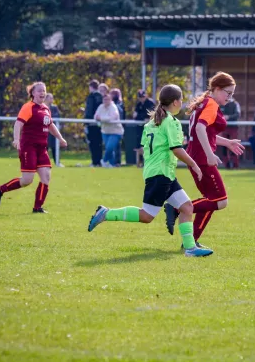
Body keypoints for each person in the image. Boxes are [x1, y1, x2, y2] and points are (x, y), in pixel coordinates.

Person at [88, 84, 213, 257]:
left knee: (186, 206)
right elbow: (176, 149)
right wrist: (194, 164)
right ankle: (106, 213)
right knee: (147, 216)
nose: (182, 103)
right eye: (181, 100)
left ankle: (190, 248)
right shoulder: (171, 121)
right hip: (160, 175)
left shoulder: (153, 122)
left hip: (162, 173)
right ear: (176, 102)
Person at [164, 72, 244, 249]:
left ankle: (189, 242)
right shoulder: (211, 104)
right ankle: (176, 209)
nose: (230, 98)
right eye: (227, 93)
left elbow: (206, 133)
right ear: (216, 89)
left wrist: (227, 142)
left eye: (232, 94)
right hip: (201, 159)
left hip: (195, 157)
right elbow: (200, 128)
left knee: (211, 201)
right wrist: (209, 155)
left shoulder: (204, 102)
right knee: (221, 201)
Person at [0, 82, 67, 213]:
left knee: (46, 177)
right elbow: (18, 124)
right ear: (32, 93)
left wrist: (60, 138)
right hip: (28, 148)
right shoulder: (28, 107)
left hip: (42, 148)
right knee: (27, 180)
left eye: (44, 90)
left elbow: (50, 125)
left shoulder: (46, 109)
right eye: (39, 91)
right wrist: (16, 139)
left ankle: (37, 208)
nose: (42, 93)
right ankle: (0, 190)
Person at [95, 94, 124, 168]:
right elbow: (96, 116)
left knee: (109, 147)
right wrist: (100, 118)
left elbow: (113, 117)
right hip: (105, 131)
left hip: (116, 132)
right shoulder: (100, 107)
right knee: (109, 149)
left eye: (107, 99)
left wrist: (101, 118)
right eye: (104, 99)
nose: (106, 101)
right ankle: (112, 164)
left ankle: (104, 161)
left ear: (110, 100)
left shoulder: (113, 107)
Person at [133, 90, 155, 167]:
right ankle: (139, 162)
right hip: (140, 127)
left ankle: (148, 162)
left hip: (149, 128)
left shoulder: (150, 103)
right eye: (140, 97)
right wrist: (142, 117)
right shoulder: (138, 104)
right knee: (139, 144)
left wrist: (143, 117)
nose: (142, 98)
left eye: (143, 97)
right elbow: (135, 115)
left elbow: (151, 115)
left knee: (148, 144)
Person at [84, 80, 103, 167]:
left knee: (93, 143)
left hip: (92, 123)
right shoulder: (100, 96)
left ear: (91, 87)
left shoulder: (92, 96)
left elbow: (89, 110)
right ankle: (97, 161)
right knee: (98, 143)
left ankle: (95, 161)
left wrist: (86, 122)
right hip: (97, 123)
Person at [220, 97, 241, 168]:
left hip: (233, 128)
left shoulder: (235, 104)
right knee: (224, 146)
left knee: (234, 146)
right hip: (224, 128)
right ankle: (227, 165)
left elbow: (237, 115)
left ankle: (235, 165)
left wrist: (228, 117)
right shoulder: (222, 104)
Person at [45, 93, 63, 167]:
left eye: (52, 98)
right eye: (50, 98)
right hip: (44, 131)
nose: (52, 100)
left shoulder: (54, 108)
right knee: (44, 147)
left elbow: (57, 117)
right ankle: (42, 163)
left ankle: (57, 162)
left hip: (52, 130)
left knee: (54, 146)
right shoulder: (42, 107)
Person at [110, 88, 125, 166]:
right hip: (111, 128)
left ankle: (117, 162)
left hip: (118, 127)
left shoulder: (119, 104)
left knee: (117, 145)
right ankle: (112, 161)